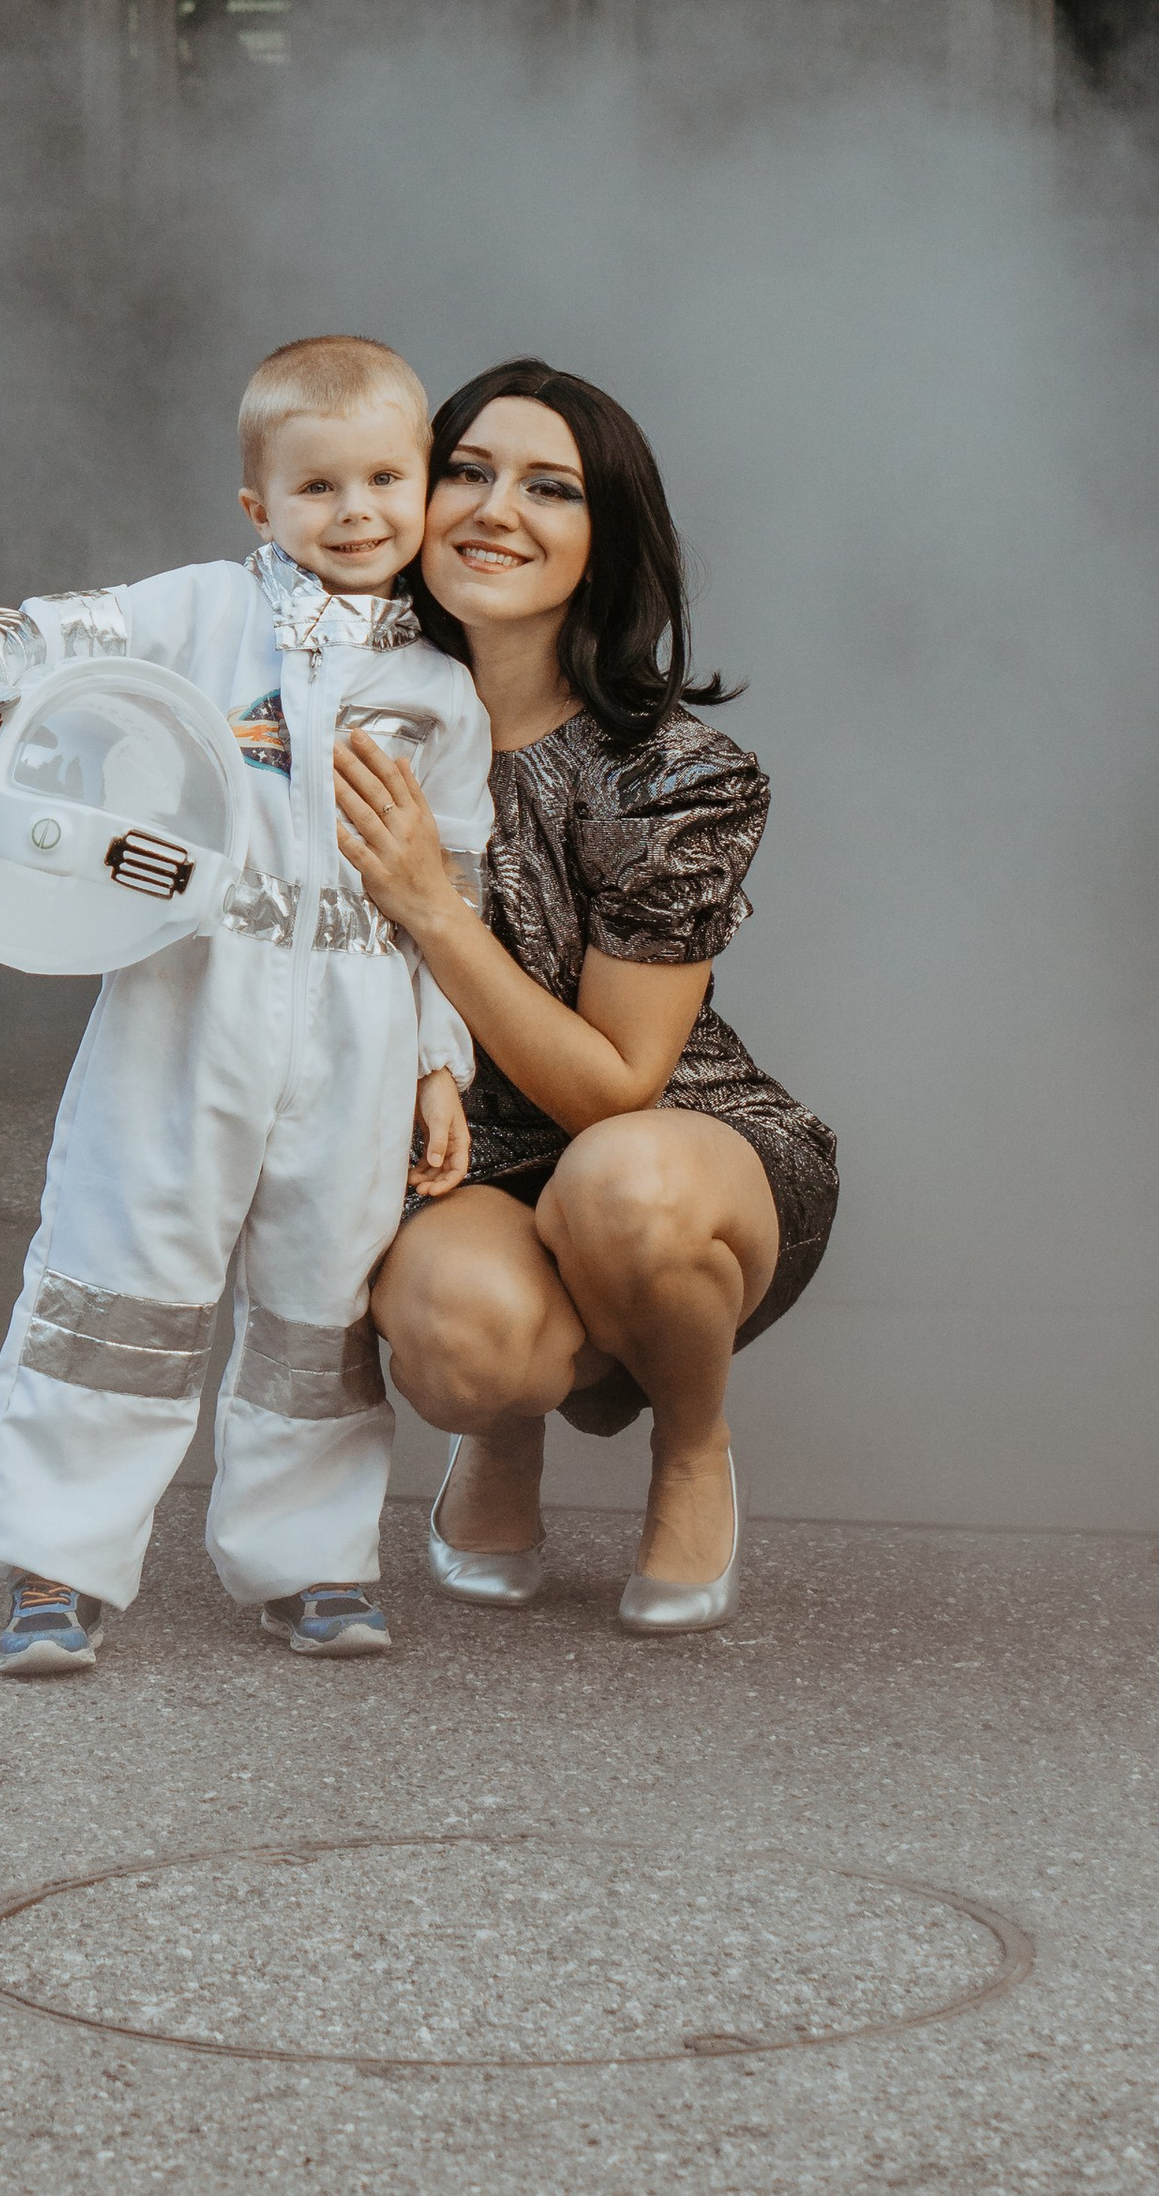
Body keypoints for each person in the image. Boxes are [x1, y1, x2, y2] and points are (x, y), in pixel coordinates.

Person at [0, 336, 494, 1676]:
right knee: (118, 1280)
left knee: (321, 1305)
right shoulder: (196, 612)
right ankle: (55, 1567)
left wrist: (437, 1059)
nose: (356, 513)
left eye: (385, 481)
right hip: (187, 999)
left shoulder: (441, 693)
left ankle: (314, 1561)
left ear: (425, 485)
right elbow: (30, 638)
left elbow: (449, 896)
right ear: (258, 505)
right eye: (318, 487)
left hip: (360, 1024)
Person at [335, 360, 837, 1635]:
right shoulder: (341, 722)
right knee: (464, 1340)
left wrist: (433, 908)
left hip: (673, 1147)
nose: (496, 508)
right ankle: (503, 1437)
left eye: (548, 488)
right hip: (462, 1160)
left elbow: (618, 1086)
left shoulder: (674, 776)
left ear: (604, 541)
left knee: (620, 1179)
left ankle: (694, 1448)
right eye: (466, 471)